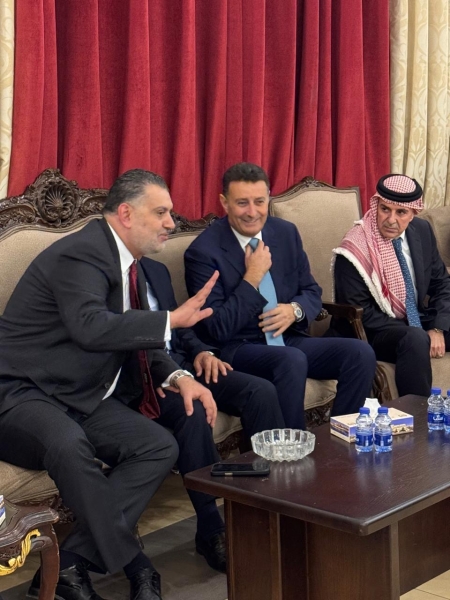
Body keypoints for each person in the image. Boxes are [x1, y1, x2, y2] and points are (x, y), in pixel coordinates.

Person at [0, 169, 222, 600]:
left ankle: (69, 564)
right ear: (126, 213)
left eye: (170, 213)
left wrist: (178, 376)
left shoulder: (125, 263)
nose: (170, 223)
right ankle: (135, 564)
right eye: (161, 212)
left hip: (75, 394)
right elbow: (91, 327)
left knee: (157, 445)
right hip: (22, 391)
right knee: (68, 443)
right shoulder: (81, 254)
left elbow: (127, 335)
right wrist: (171, 320)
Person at [184, 162, 376, 429]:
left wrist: (294, 310)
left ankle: (342, 439)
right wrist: (252, 278)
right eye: (242, 203)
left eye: (259, 202)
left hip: (287, 338)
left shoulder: (285, 233)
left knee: (360, 353)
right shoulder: (203, 252)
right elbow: (217, 328)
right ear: (224, 203)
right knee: (291, 360)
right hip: (239, 347)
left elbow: (311, 291)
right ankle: (293, 448)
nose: (252, 212)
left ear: (268, 199)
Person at [140, 255, 285, 573]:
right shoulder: (104, 275)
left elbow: (180, 329)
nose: (167, 230)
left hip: (182, 363)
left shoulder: (155, 269)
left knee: (260, 392)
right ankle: (210, 529)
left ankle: (272, 507)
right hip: (146, 378)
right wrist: (166, 375)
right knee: (192, 411)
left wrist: (202, 352)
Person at [332, 174, 450, 397]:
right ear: (376, 205)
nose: (391, 219)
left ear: (413, 213)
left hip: (414, 321)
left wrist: (437, 328)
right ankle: (417, 414)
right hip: (370, 332)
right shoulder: (354, 249)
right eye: (385, 209)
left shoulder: (422, 231)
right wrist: (417, 330)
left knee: (423, 332)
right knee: (414, 338)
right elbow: (362, 313)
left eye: (401, 212)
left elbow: (442, 283)